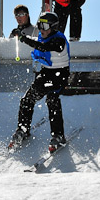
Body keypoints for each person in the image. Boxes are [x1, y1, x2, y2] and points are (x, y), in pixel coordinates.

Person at [12, 12, 70, 152]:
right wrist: (20, 34)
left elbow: (44, 47)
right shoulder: (42, 36)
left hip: (59, 75)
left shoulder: (59, 40)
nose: (41, 29)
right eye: (39, 26)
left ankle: (58, 135)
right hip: (46, 73)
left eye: (44, 26)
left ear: (53, 27)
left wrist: (24, 39)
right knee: (27, 99)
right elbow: (37, 41)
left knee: (52, 100)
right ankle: (23, 129)